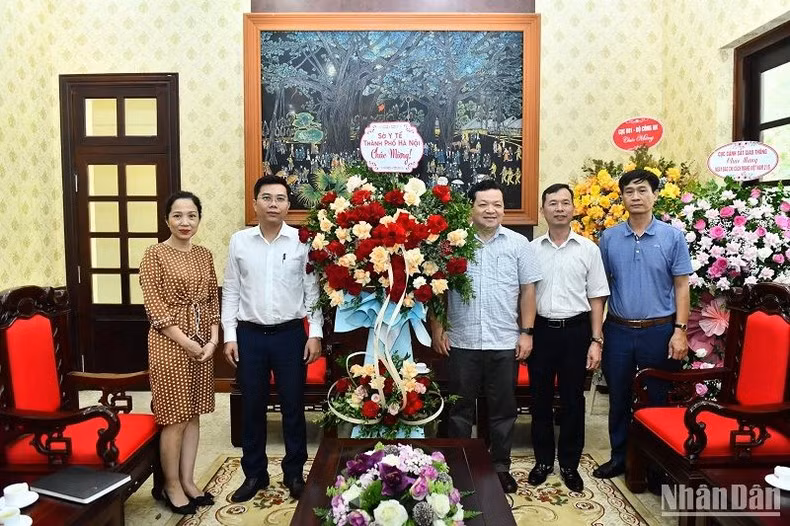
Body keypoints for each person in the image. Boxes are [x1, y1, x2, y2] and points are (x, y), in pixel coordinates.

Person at [431, 178, 541, 494]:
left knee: (503, 409)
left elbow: (528, 291)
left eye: (497, 205)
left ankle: (500, 467)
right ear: (471, 207)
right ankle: (460, 464)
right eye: (484, 204)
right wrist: (438, 328)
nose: (491, 210)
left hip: (504, 341)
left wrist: (527, 333)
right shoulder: (451, 243)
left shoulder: (519, 245)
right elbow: (438, 291)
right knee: (460, 409)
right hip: (461, 340)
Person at [222, 174, 323, 502]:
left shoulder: (301, 242)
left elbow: (312, 292)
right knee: (252, 407)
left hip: (290, 335)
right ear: (255, 203)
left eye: (280, 198)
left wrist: (315, 334)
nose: (273, 204)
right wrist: (229, 335)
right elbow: (232, 290)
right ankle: (255, 475)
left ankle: (294, 473)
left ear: (288, 205)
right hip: (249, 336)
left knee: (293, 407)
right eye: (266, 198)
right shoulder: (239, 241)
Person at [593, 169, 692, 480]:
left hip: (660, 331)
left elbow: (681, 286)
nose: (635, 197)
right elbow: (599, 288)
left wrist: (680, 330)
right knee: (618, 397)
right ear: (621, 197)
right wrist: (597, 336)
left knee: (659, 399)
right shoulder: (608, 238)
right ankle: (619, 457)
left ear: (655, 195)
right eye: (629, 191)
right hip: (619, 330)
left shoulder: (672, 237)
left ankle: (658, 464)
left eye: (642, 190)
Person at [139, 191, 219, 515]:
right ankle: (169, 484)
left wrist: (212, 340)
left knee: (194, 413)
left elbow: (213, 299)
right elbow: (154, 308)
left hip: (203, 344)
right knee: (175, 417)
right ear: (167, 219)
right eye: (178, 215)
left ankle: (188, 480)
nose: (185, 222)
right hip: (169, 341)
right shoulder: (154, 254)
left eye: (191, 216)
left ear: (199, 219)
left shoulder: (204, 254)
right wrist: (186, 341)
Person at [528, 183, 610, 492]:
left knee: (573, 401)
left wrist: (596, 340)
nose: (559, 208)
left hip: (577, 333)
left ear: (573, 208)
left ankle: (570, 464)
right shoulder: (532, 250)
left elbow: (597, 298)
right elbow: (524, 296)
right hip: (542, 332)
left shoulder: (589, 249)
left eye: (565, 203)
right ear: (543, 209)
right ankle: (543, 461)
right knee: (540, 400)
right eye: (553, 203)